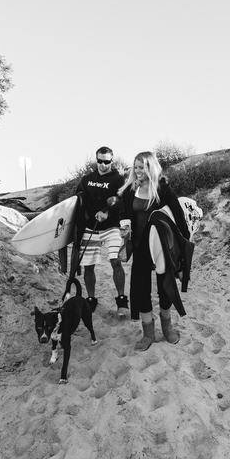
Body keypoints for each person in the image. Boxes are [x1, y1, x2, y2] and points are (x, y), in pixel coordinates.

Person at [117, 151, 191, 351]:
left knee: (165, 286)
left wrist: (185, 245)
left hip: (162, 246)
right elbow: (123, 214)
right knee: (141, 289)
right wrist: (124, 226)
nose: (138, 171)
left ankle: (167, 327)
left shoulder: (163, 189)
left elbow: (179, 218)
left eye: (142, 167)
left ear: (151, 167)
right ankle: (148, 333)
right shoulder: (131, 190)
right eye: (136, 167)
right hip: (140, 246)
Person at [73, 146, 128, 316]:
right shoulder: (86, 179)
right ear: (96, 160)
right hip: (91, 227)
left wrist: (107, 211)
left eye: (107, 161)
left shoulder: (118, 180)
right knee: (88, 266)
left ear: (112, 160)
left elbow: (123, 201)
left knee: (115, 261)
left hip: (112, 226)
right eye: (100, 161)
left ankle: (121, 300)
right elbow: (77, 200)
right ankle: (91, 299)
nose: (103, 165)